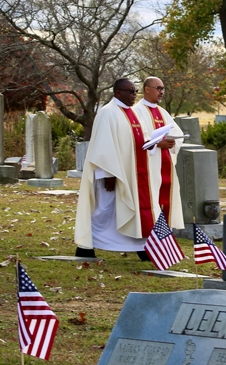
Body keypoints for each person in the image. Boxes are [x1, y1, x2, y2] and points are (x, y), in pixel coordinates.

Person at [74, 78, 175, 258]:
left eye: (135, 91)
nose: (134, 94)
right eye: (130, 91)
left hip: (133, 173)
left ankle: (141, 247)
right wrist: (108, 174)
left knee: (133, 211)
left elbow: (141, 140)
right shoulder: (108, 113)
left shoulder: (133, 113)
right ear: (118, 93)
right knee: (104, 211)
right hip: (112, 174)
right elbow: (103, 146)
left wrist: (156, 143)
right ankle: (85, 247)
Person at [132, 76, 185, 229]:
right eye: (158, 88)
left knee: (165, 198)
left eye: (163, 89)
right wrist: (158, 143)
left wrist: (172, 141)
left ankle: (164, 232)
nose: (161, 92)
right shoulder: (137, 112)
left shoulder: (163, 113)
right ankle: (151, 230)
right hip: (148, 166)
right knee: (151, 197)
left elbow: (177, 133)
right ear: (147, 89)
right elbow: (137, 139)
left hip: (165, 164)